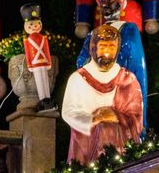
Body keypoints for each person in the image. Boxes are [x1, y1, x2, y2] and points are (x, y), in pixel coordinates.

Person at [61, 25, 143, 165]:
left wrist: (117, 116)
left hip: (121, 153)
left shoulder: (128, 80)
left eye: (112, 47)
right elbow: (68, 112)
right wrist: (94, 119)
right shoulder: (78, 79)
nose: (107, 52)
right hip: (85, 149)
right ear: (93, 47)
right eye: (103, 46)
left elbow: (136, 117)